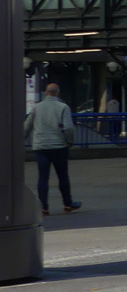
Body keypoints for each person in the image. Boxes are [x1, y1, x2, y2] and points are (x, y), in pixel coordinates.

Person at [23, 83, 80, 216]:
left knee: (43, 177)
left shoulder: (36, 107)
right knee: (62, 176)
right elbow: (69, 128)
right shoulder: (63, 107)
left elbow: (26, 127)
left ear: (46, 93)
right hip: (59, 146)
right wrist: (69, 141)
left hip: (41, 146)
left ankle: (43, 207)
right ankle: (67, 204)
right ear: (58, 93)